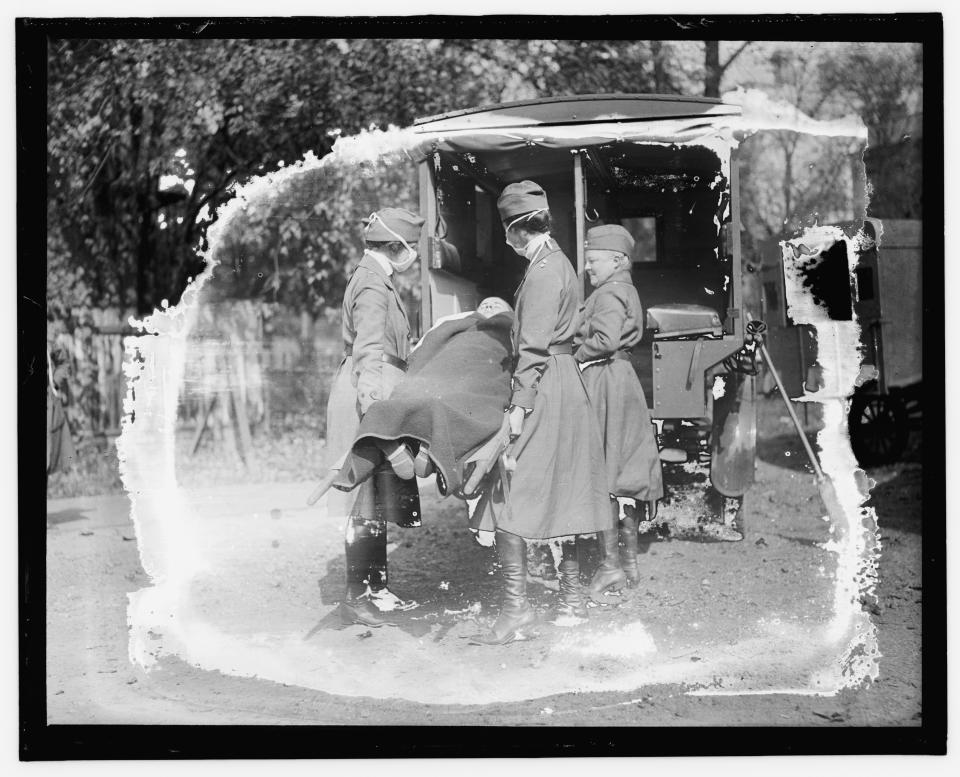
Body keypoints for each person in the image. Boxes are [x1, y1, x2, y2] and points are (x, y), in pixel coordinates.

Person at [469, 181, 610, 645]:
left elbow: (532, 347)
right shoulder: (556, 263)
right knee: (562, 489)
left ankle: (517, 611)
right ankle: (570, 600)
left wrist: (518, 407)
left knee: (509, 488)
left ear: (514, 229)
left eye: (506, 231)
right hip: (564, 380)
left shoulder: (545, 271)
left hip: (545, 385)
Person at [324, 206, 424, 627]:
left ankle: (377, 589)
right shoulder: (371, 284)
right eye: (411, 247)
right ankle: (355, 595)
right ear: (395, 246)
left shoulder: (378, 279)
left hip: (382, 388)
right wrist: (371, 407)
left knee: (377, 500)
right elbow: (368, 350)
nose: (413, 254)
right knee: (363, 501)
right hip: (369, 392)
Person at [575, 224, 665, 601]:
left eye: (593, 260)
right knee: (622, 471)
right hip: (620, 379)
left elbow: (605, 340)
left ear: (618, 260)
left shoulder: (610, 293)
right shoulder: (624, 289)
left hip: (603, 380)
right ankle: (628, 564)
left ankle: (610, 567)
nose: (588, 268)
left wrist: (570, 358)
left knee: (602, 472)